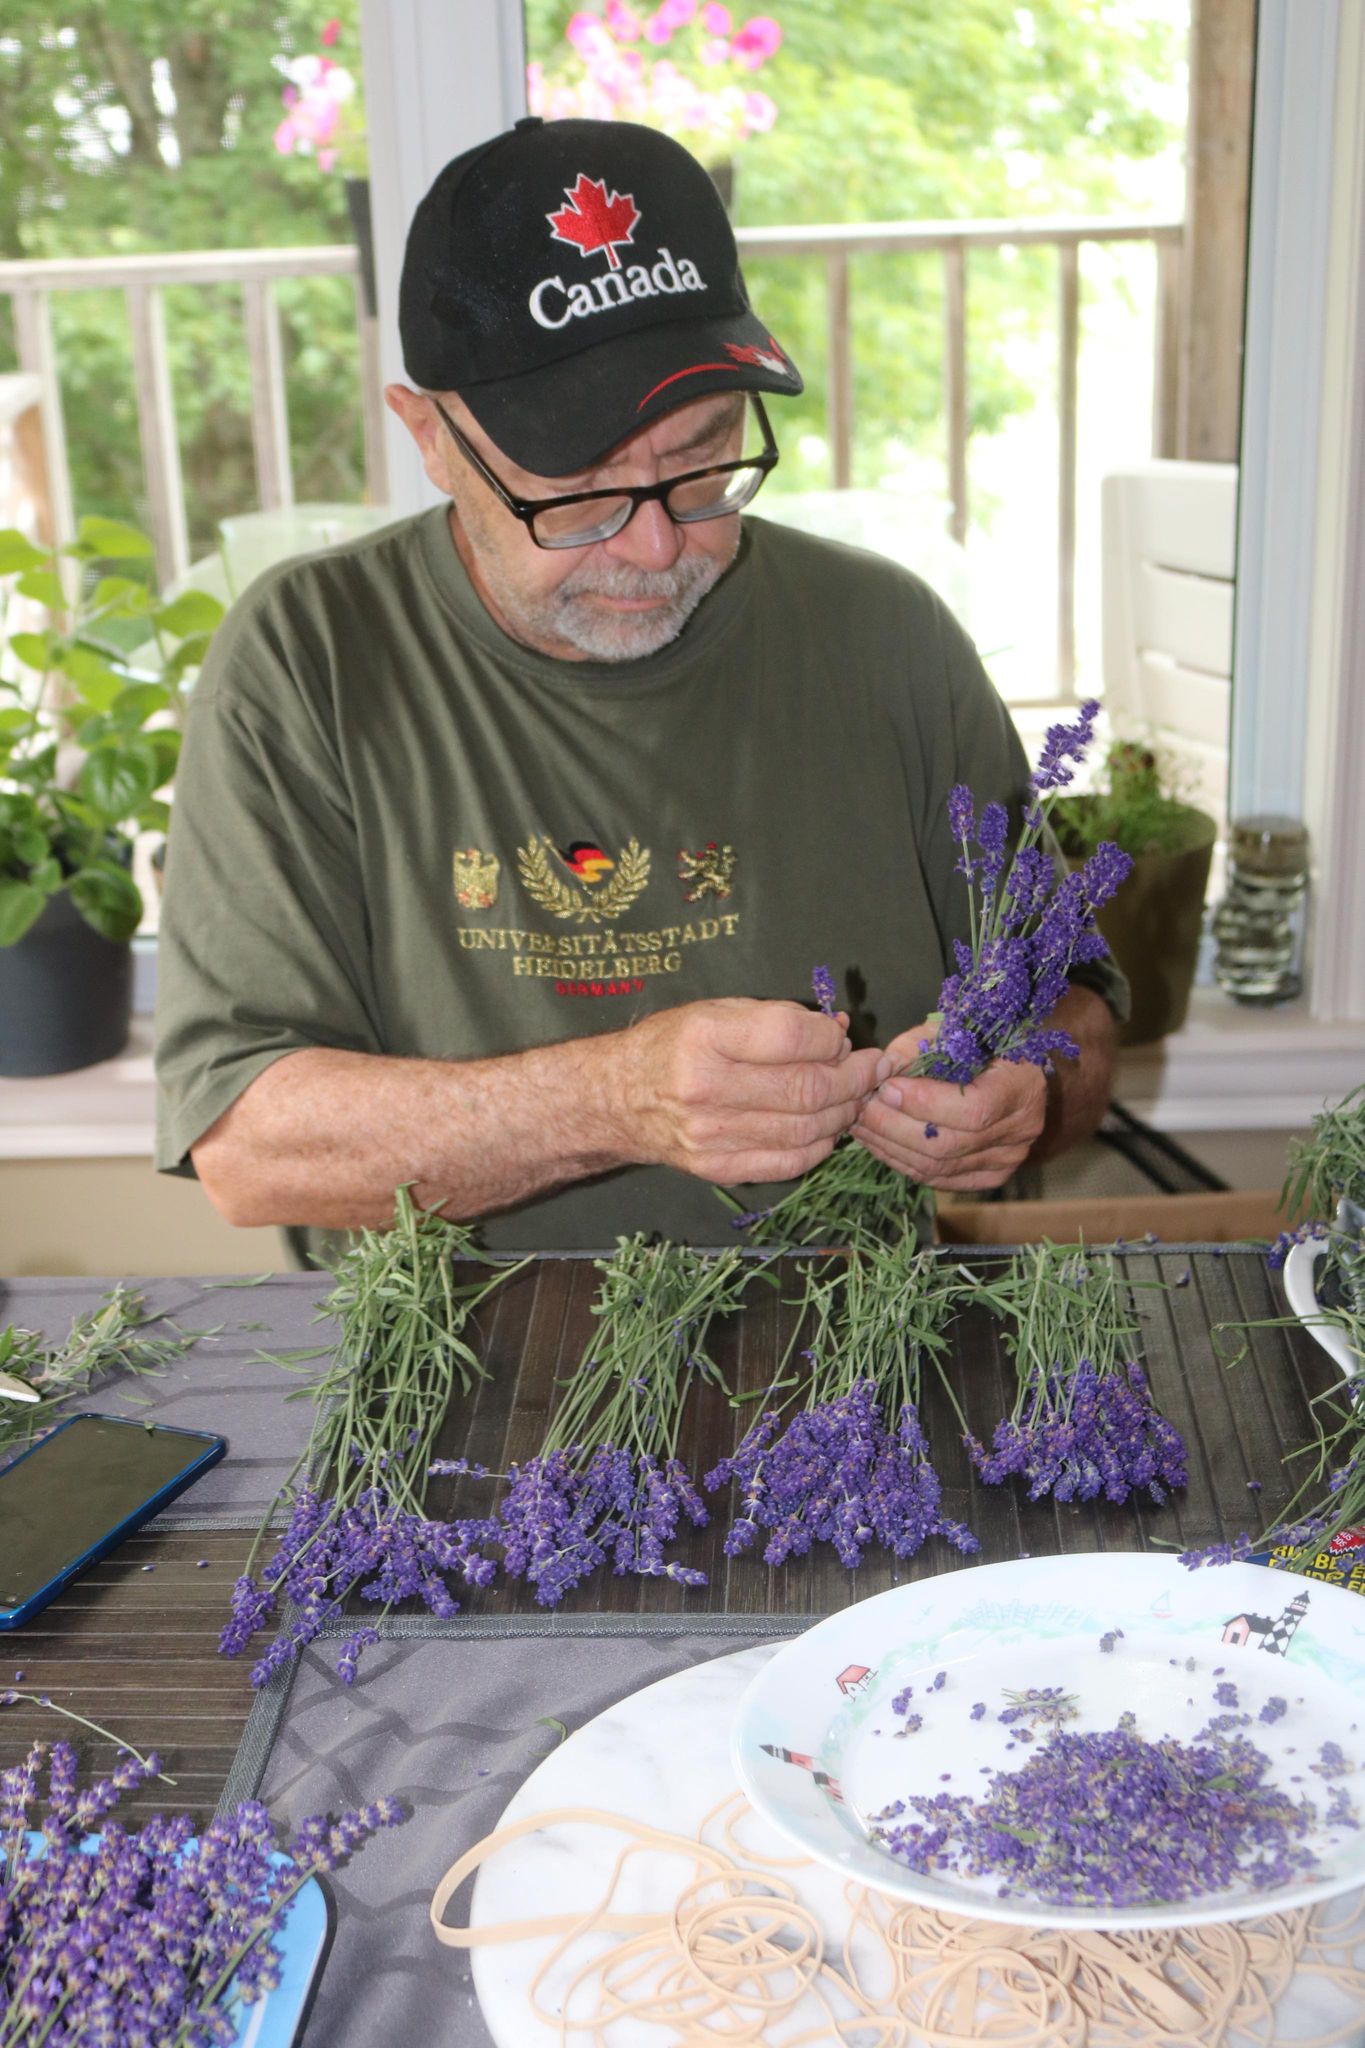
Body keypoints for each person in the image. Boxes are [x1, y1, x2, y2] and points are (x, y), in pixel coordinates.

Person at [154, 115, 1124, 1259]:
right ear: (429, 434)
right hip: (453, 1372)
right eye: (576, 492)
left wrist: (1030, 1094)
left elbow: (1078, 1018)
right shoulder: (307, 657)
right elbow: (246, 1142)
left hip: (847, 1369)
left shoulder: (888, 638)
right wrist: (614, 1101)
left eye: (704, 460)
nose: (659, 547)